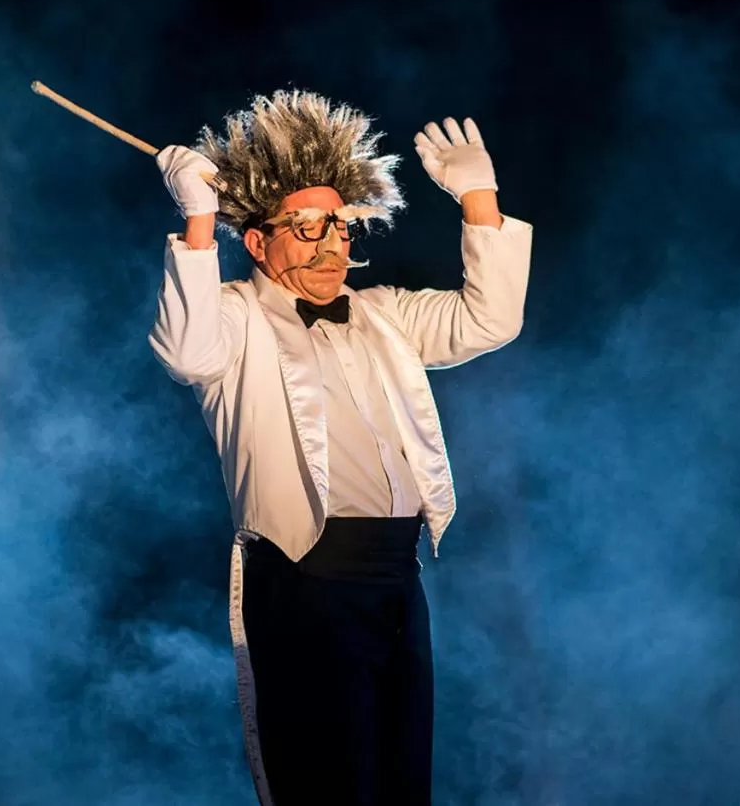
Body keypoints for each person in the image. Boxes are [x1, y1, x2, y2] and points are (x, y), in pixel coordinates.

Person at [147, 89, 532, 805]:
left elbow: (490, 319)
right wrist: (199, 221)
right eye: (306, 226)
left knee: (400, 781)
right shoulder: (233, 318)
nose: (331, 243)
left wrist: (479, 199)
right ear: (258, 241)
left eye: (342, 226)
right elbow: (186, 351)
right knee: (328, 784)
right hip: (304, 576)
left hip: (397, 574)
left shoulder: (385, 312)